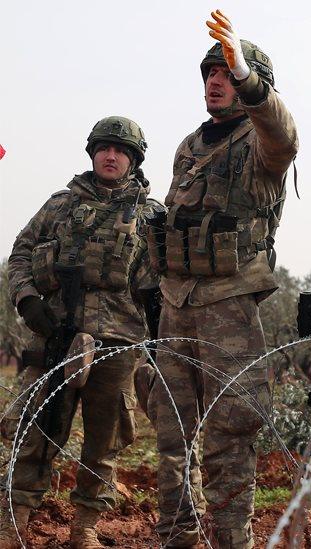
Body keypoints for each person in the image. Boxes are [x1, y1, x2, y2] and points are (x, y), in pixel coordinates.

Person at [151, 10, 298, 548]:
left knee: (230, 432)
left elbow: (284, 137)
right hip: (175, 303)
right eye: (210, 73)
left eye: (225, 73)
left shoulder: (260, 145)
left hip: (230, 306)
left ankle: (233, 540)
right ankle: (178, 535)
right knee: (171, 432)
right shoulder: (189, 147)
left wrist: (248, 74)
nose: (215, 81)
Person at [1, 116, 159, 549]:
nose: (111, 156)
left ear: (133, 159)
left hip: (118, 343)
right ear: (92, 153)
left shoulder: (151, 216)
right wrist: (28, 301)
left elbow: (165, 284)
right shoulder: (59, 206)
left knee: (103, 442)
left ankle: (85, 527)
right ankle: (14, 521)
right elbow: (20, 254)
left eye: (121, 150)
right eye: (104, 148)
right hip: (55, 335)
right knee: (36, 429)